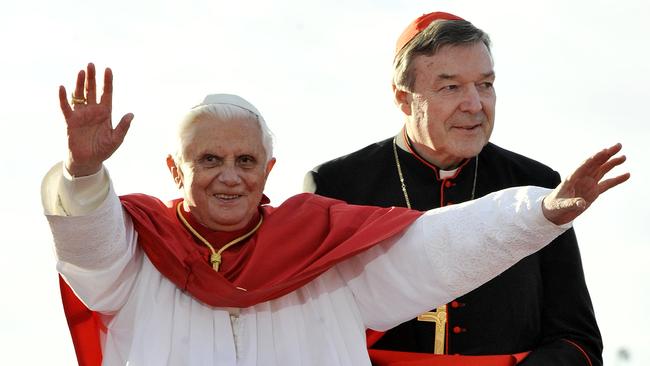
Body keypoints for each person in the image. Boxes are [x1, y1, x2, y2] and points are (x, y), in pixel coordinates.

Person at [43, 63, 627, 366]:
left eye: (246, 159)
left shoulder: (319, 246)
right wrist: (83, 172)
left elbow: (434, 246)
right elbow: (88, 247)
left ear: (270, 171)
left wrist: (542, 212)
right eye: (209, 159)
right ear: (175, 168)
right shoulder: (138, 251)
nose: (229, 175)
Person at [305, 11, 610, 366]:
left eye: (485, 85)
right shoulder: (337, 186)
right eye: (451, 87)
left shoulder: (536, 185)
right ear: (404, 98)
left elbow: (577, 341)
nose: (475, 105)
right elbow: (313, 333)